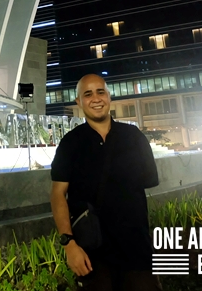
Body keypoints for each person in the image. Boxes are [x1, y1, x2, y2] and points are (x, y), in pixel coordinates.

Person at [50, 74, 160, 290]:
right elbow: (57, 195)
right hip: (92, 252)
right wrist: (69, 245)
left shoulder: (134, 136)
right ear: (79, 102)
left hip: (136, 249)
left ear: (109, 97)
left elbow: (148, 180)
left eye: (101, 91)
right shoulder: (71, 143)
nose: (96, 98)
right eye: (87, 94)